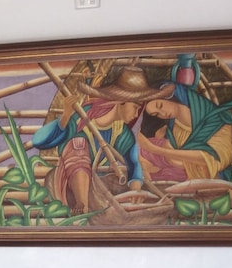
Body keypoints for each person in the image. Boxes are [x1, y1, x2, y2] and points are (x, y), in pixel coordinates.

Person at [31, 66, 173, 213]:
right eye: (135, 107)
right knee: (78, 144)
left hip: (99, 188)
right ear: (121, 101)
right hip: (68, 186)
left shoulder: (122, 134)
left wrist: (136, 189)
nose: (137, 114)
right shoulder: (82, 117)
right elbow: (39, 141)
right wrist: (66, 116)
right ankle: (82, 203)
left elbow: (133, 163)